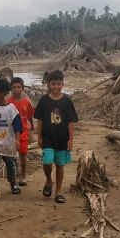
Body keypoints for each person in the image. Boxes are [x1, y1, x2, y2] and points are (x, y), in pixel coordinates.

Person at [34, 70, 78, 204]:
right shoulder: (44, 101)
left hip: (62, 138)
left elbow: (71, 122)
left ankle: (58, 192)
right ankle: (48, 180)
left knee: (60, 165)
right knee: (47, 162)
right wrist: (39, 137)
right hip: (48, 137)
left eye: (58, 84)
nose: (56, 87)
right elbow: (40, 120)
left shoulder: (67, 102)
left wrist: (70, 139)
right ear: (48, 84)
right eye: (53, 84)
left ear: (62, 84)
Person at [9, 76, 35, 186]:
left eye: (18, 87)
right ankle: (15, 175)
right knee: (12, 155)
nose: (16, 89)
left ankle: (23, 176)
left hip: (24, 131)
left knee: (23, 154)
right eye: (14, 87)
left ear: (22, 89)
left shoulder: (26, 102)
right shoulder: (7, 102)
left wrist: (33, 126)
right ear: (11, 89)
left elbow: (30, 116)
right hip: (10, 133)